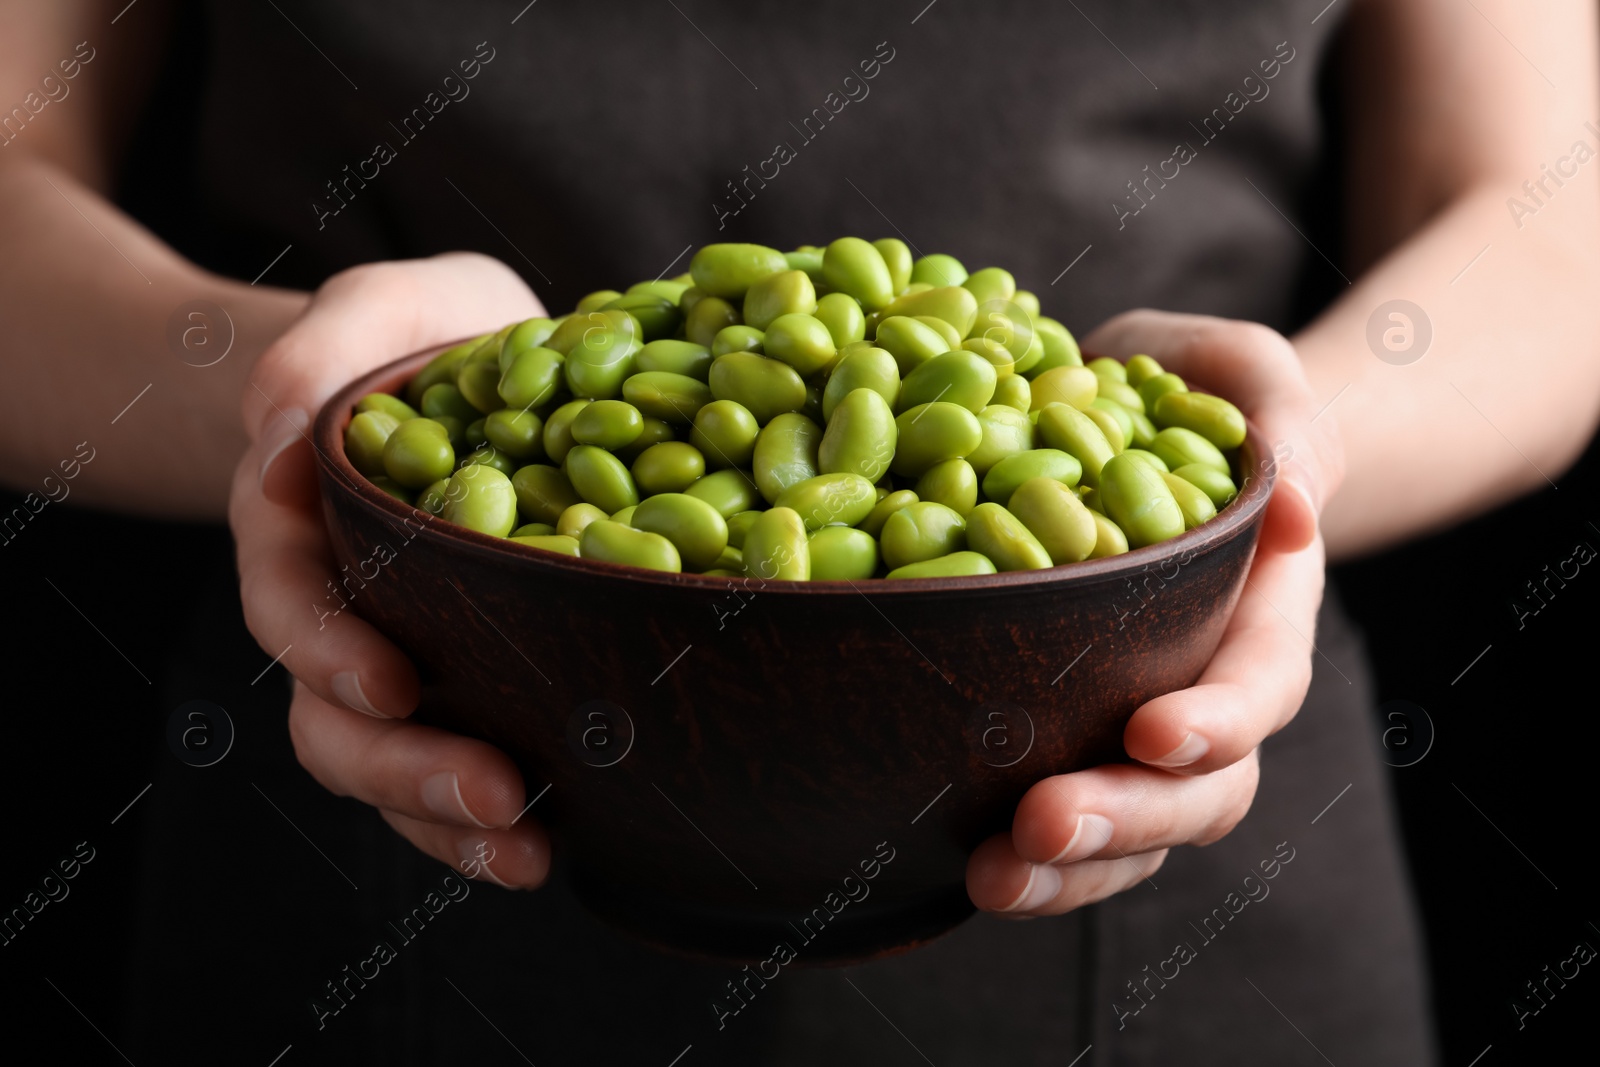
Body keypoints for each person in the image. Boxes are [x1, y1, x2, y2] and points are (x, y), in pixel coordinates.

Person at [2, 0, 1595, 1062]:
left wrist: (1286, 456)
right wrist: (299, 415)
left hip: (1179, 837)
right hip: (390, 799)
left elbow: (1553, 226)